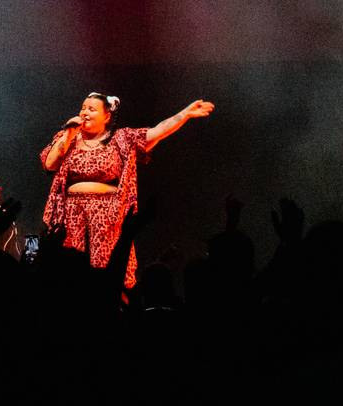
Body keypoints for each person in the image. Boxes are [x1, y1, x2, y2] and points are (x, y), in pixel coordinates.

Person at [38, 92, 214, 290]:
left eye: (92, 109)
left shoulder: (121, 138)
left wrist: (185, 114)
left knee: (105, 271)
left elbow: (157, 131)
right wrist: (69, 134)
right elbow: (50, 163)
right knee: (72, 273)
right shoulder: (67, 138)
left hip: (106, 216)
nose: (85, 112)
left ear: (107, 116)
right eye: (83, 108)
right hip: (72, 216)